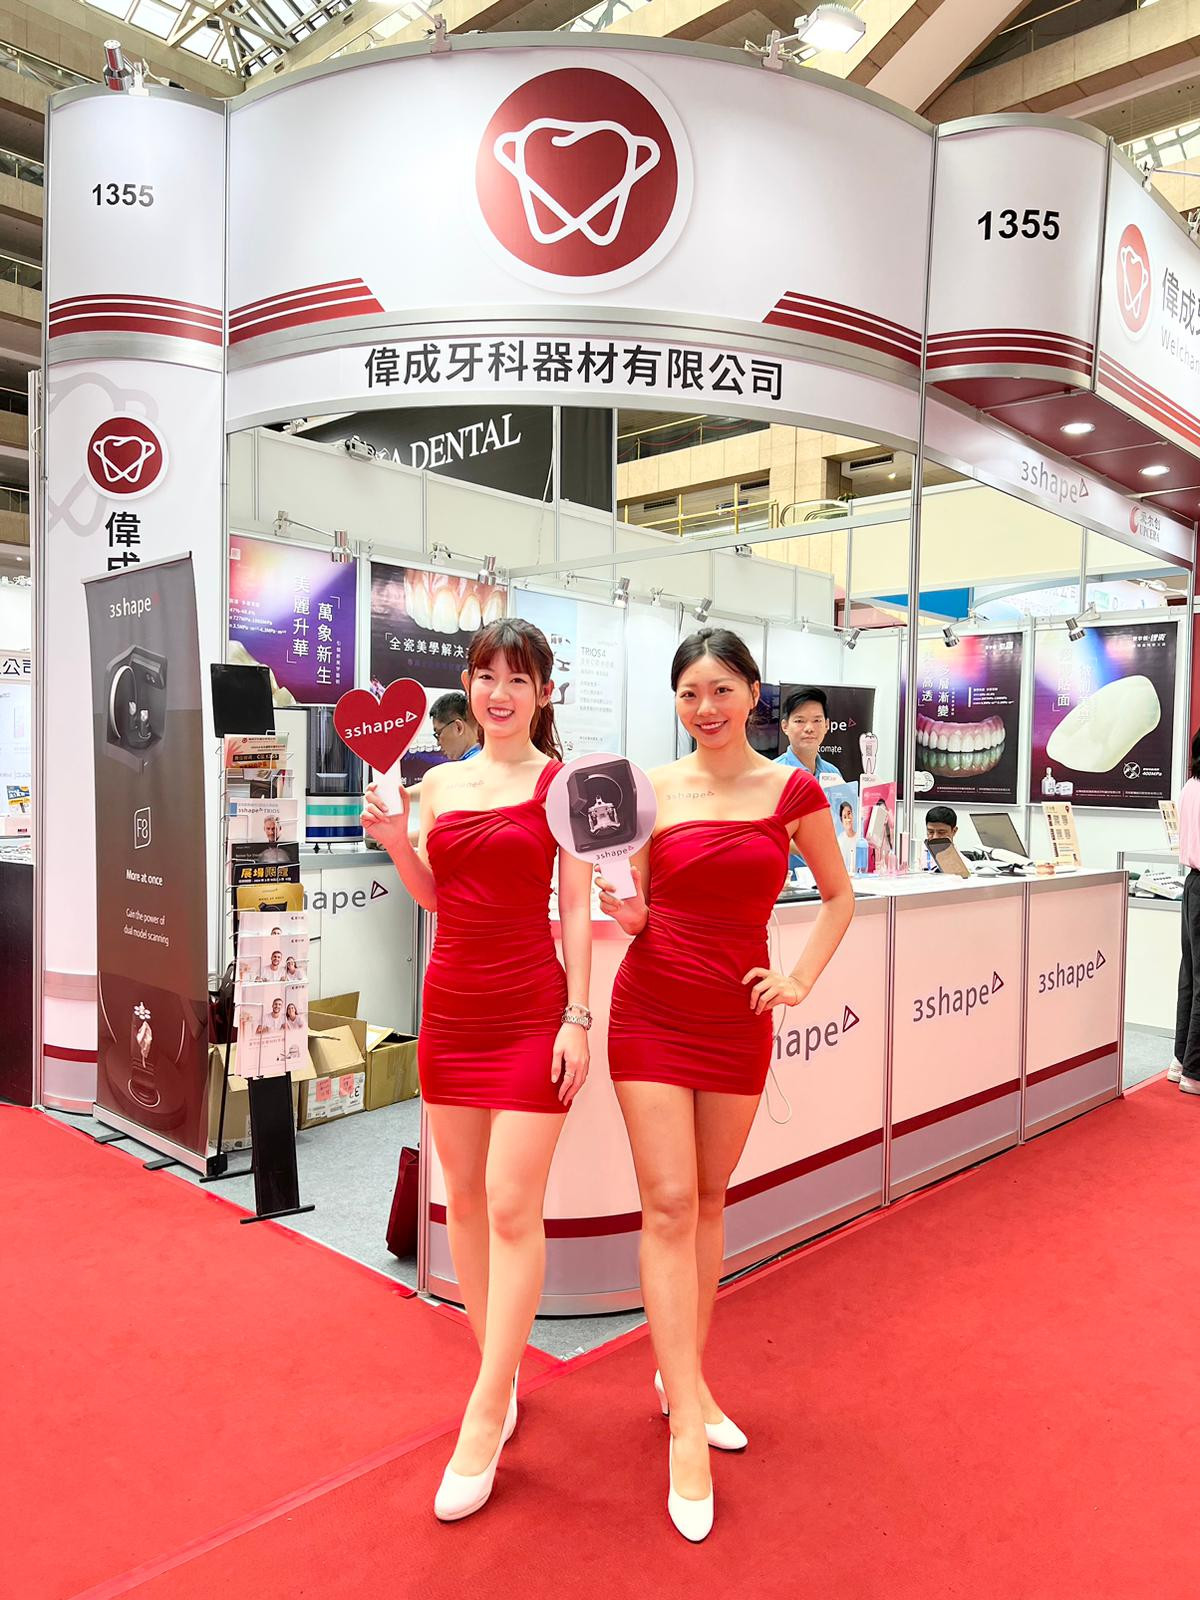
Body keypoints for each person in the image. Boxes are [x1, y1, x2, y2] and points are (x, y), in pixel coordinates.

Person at [596, 627, 854, 1542]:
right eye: (688, 694)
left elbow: (839, 896)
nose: (704, 709)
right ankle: (685, 1435)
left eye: (720, 691)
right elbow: (634, 908)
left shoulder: (791, 791)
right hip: (651, 1008)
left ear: (753, 694)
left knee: (708, 1202)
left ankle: (686, 1379)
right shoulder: (650, 788)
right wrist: (629, 911)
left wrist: (799, 979)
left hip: (737, 1018)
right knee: (668, 1204)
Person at [361, 618, 593, 1522]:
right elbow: (435, 895)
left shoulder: (561, 785)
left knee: (508, 1204)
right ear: (470, 685)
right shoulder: (439, 781)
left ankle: (487, 1409)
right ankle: (499, 1373)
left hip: (533, 1007)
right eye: (486, 676)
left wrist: (578, 1017)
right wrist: (396, 843)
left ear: (543, 693)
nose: (499, 693)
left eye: (518, 679)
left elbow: (575, 910)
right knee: (460, 1198)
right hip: (452, 1008)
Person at [1169, 731, 1200, 1097]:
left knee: (1189, 975)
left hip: (1193, 883)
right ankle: (1195, 1070)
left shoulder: (1190, 787)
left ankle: (1181, 1060)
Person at [775, 687, 844, 784]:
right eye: (799, 721)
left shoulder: (833, 774)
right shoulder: (773, 774)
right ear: (785, 726)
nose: (809, 728)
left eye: (817, 720)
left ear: (826, 725)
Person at [430, 691, 481, 762]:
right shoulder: (488, 761)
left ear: (458, 728)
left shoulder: (468, 766)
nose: (438, 744)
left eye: (438, 734)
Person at [837, 798, 858, 869]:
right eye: (845, 816)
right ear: (841, 820)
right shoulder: (839, 840)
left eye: (849, 814)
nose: (848, 818)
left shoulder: (859, 839)